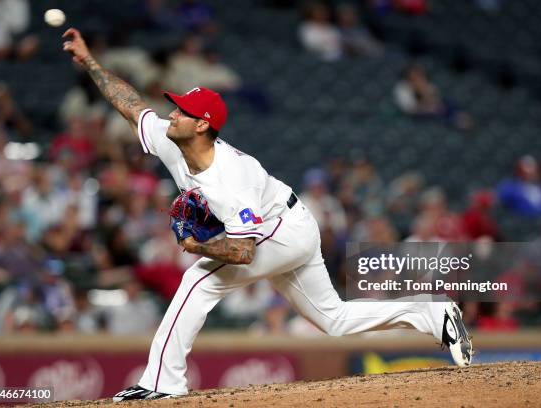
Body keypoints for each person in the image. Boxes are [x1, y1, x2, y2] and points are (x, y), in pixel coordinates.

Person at [62, 27, 473, 401]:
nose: (172, 113)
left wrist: (197, 243)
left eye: (182, 111)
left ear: (203, 125)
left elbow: (243, 253)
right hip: (284, 222)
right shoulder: (173, 141)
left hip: (283, 230)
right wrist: (90, 62)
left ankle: (161, 384)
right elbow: (131, 105)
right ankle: (433, 315)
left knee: (198, 279)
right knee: (334, 319)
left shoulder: (229, 178)